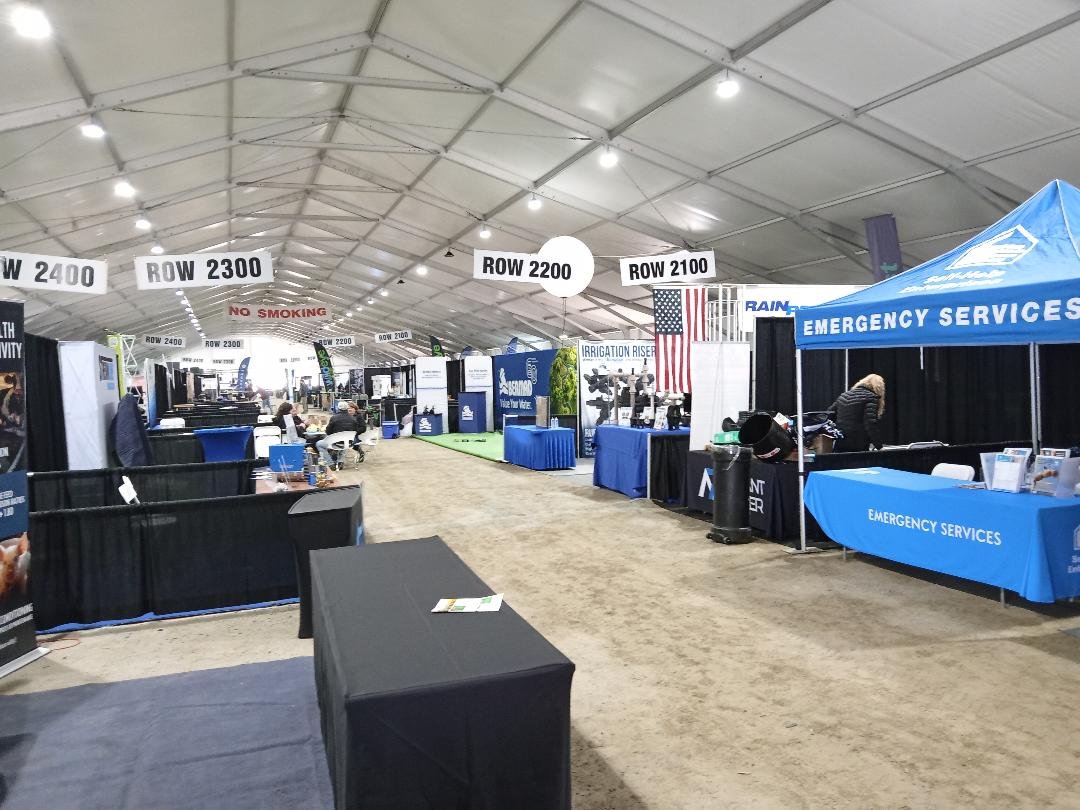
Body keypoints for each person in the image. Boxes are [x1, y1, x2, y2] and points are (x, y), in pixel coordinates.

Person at [829, 373, 885, 452]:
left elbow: (829, 414)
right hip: (858, 443)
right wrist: (879, 446)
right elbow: (870, 424)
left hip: (841, 440)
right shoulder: (871, 397)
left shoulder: (844, 395)